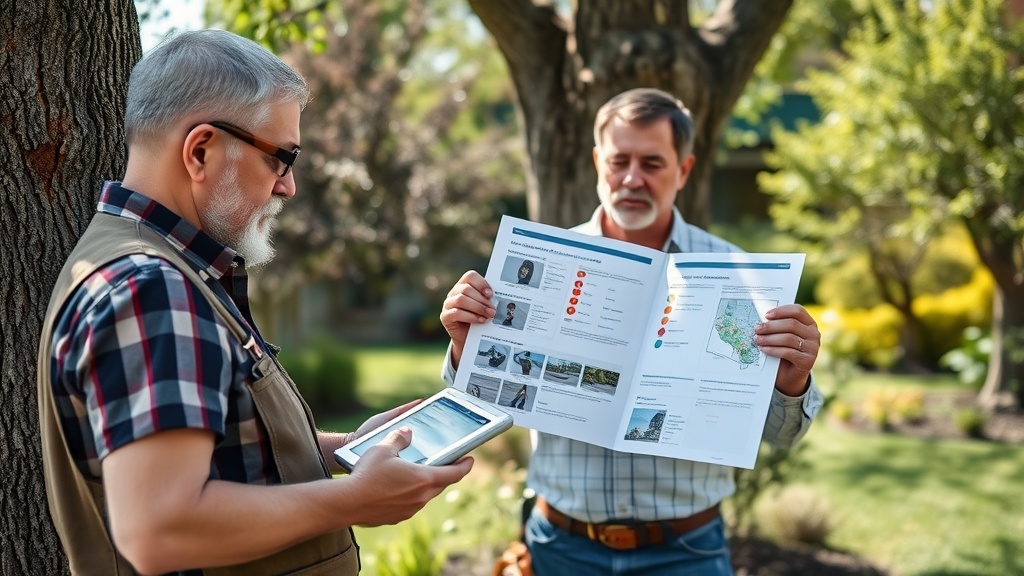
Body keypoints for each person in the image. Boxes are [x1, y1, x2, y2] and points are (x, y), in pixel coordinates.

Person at [36, 30, 472, 576]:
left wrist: (346, 450)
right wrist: (355, 499)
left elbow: (215, 446)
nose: (288, 187)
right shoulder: (151, 287)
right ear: (200, 150)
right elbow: (159, 528)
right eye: (281, 159)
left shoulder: (150, 266)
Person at [439, 88, 823, 575]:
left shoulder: (740, 276)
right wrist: (463, 348)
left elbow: (783, 437)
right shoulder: (537, 267)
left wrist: (792, 380)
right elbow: (475, 413)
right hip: (560, 547)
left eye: (653, 163)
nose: (632, 178)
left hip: (686, 553)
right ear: (598, 162)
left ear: (683, 170)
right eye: (619, 160)